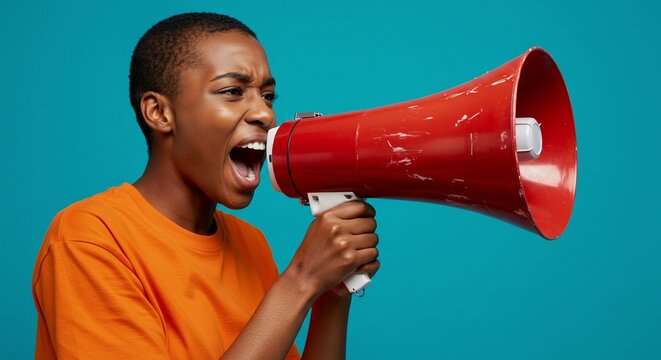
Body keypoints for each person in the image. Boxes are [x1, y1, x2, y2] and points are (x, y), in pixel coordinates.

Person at [32, 12, 380, 359]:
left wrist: (331, 293)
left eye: (268, 96)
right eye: (233, 91)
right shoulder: (91, 239)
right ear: (160, 113)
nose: (265, 114)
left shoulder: (251, 244)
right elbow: (297, 285)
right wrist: (301, 280)